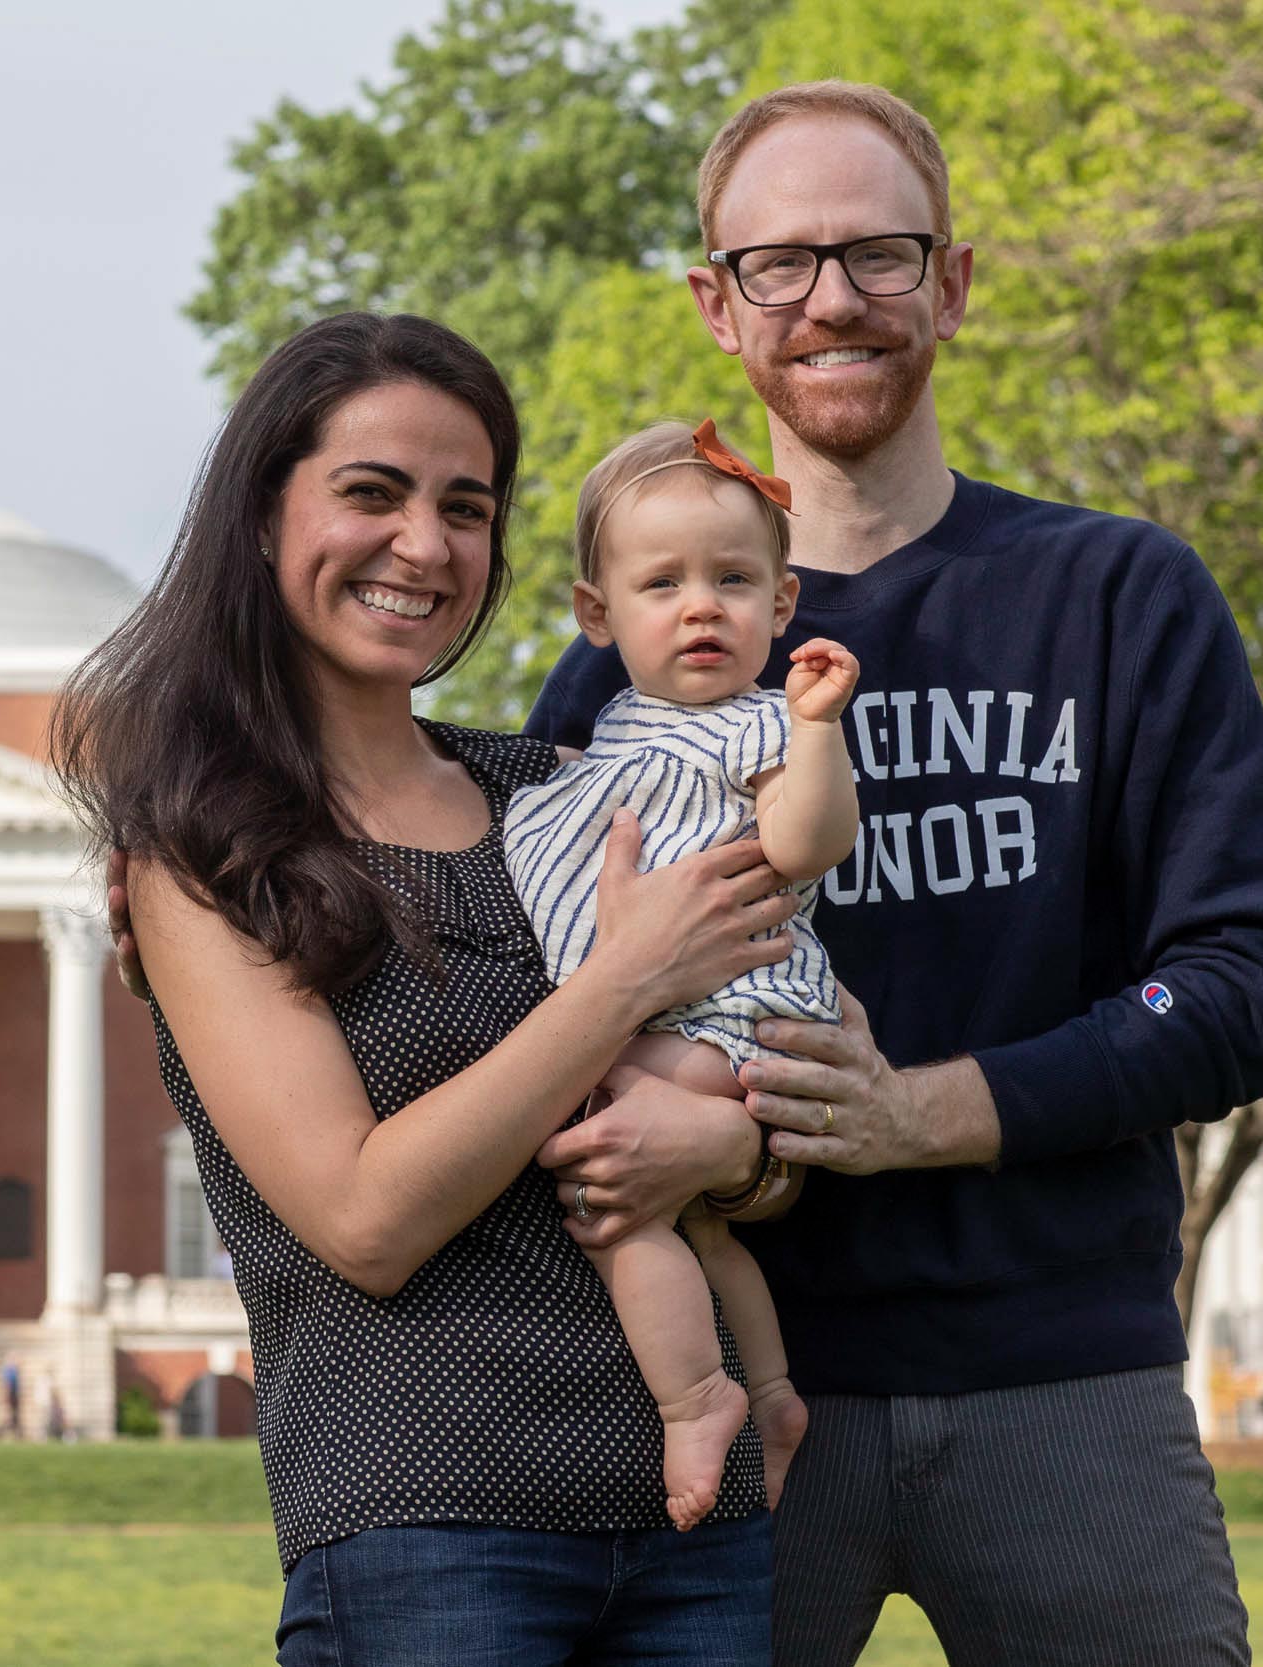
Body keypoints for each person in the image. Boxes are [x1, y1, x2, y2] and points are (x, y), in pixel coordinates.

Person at [522, 82, 1263, 1664]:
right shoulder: (622, 670)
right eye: (779, 264)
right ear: (716, 304)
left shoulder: (1119, 595)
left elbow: (1250, 979)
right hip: (738, 1391)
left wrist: (925, 1113)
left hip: (1062, 1378)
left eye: (879, 252)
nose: (831, 297)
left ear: (952, 283)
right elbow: (527, 990)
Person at [60, 311, 800, 1664]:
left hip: (700, 1529)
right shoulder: (207, 854)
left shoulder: (561, 792)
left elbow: (762, 1050)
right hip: (431, 1538)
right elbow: (366, 1214)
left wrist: (736, 1144)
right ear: (261, 517)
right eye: (370, 492)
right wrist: (623, 975)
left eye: (466, 506)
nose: (425, 542)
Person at [503, 417, 856, 1526]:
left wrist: (817, 732)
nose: (701, 604)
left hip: (733, 1014)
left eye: (733, 579)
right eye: (662, 582)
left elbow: (806, 845)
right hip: (678, 1010)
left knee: (609, 1187)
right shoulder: (611, 727)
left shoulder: (762, 726)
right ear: (596, 615)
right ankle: (772, 1390)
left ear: (782, 605)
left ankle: (695, 1397)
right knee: (693, 1220)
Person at [0, 1352, 24, 1441]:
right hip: (11, 1396)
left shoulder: (14, 1370)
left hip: (14, 1395)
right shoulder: (9, 1370)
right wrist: (6, 1397)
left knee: (15, 1417)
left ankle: (18, 1435)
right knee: (12, 1417)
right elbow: (7, 1385)